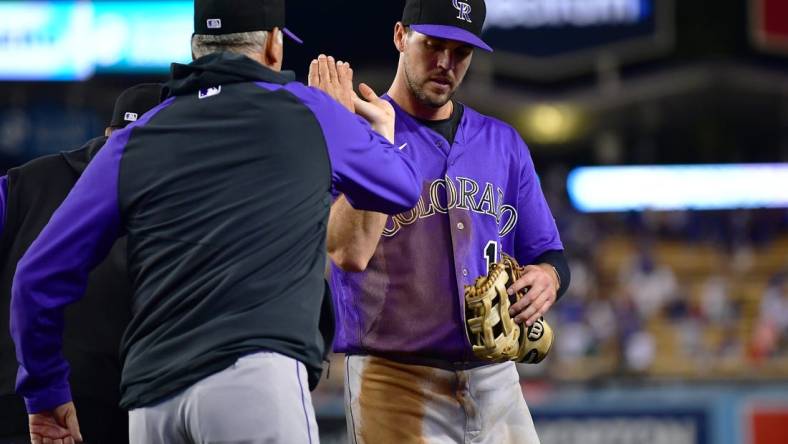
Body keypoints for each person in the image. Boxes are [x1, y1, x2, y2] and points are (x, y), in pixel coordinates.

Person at [10, 0, 422, 442]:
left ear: (195, 47)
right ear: (272, 47)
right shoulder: (311, 111)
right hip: (255, 378)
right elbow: (400, 187)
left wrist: (46, 392)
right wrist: (361, 128)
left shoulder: (136, 137)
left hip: (152, 398)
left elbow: (36, 277)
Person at [323, 0, 570, 442]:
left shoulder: (503, 142)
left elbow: (549, 253)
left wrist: (549, 278)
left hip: (495, 379)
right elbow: (343, 251)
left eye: (460, 52)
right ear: (400, 36)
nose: (445, 63)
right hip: (394, 379)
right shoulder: (355, 131)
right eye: (432, 45)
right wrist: (372, 149)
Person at [0, 83, 162, 444]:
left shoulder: (22, 182)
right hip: (110, 413)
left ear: (109, 132)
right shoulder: (173, 199)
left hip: (19, 404)